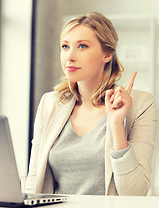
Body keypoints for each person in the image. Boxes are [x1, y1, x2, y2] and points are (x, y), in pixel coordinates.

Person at [25, 12, 157, 196]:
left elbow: (135, 193)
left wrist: (117, 124)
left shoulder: (141, 105)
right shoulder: (50, 103)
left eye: (82, 46)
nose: (69, 56)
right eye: (65, 46)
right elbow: (34, 180)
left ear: (107, 54)